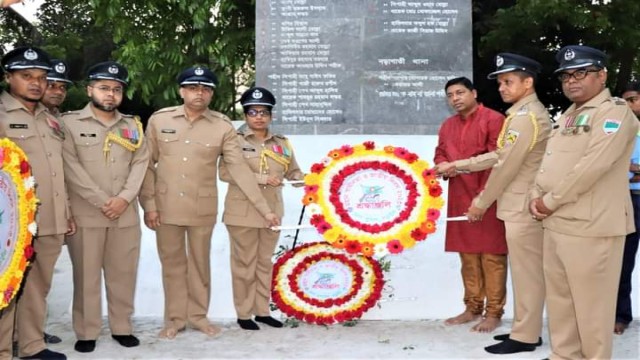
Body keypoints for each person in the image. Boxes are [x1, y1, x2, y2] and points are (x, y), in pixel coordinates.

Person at [139, 67, 280, 339]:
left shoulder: (222, 125)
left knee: (199, 265)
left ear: (212, 94)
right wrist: (150, 205)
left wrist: (265, 210)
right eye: (193, 88)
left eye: (205, 89)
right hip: (165, 207)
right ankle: (175, 320)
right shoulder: (159, 120)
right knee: (172, 264)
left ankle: (199, 317)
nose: (199, 93)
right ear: (182, 91)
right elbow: (146, 165)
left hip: (201, 207)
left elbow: (238, 169)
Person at [529, 45, 638, 360]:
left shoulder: (614, 112)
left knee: (592, 307)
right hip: (558, 222)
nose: (571, 81)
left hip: (593, 225)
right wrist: (535, 194)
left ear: (601, 74)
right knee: (561, 301)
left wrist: (550, 200)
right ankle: (564, 354)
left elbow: (593, 166)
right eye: (566, 75)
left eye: (581, 73)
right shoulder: (568, 115)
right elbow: (549, 162)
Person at [439, 54, 551, 353]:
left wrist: (481, 201)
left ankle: (524, 335)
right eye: (500, 82)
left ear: (528, 82)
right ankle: (523, 330)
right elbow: (500, 157)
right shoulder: (519, 114)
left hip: (518, 202)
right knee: (522, 274)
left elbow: (504, 166)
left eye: (508, 81)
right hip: (507, 201)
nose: (502, 87)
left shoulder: (523, 117)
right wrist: (457, 166)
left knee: (524, 273)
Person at [61, 61, 149, 354]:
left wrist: (124, 198)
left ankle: (122, 327)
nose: (110, 94)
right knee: (85, 276)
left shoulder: (133, 126)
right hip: (87, 214)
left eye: (116, 89)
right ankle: (86, 331)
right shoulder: (69, 123)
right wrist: (102, 201)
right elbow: (70, 168)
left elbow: (140, 165)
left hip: (125, 215)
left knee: (123, 274)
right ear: (90, 89)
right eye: (104, 88)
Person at [1, 46, 74, 360]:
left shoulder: (51, 119)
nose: (36, 83)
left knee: (38, 285)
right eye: (26, 76)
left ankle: (31, 345)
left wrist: (66, 213)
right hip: (10, 221)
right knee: (7, 286)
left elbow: (59, 170)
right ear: (8, 78)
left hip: (49, 217)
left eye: (42, 77)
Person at [220, 87, 304, 330]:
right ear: (245, 115)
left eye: (264, 112)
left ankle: (262, 311)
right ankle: (244, 314)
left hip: (273, 212)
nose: (259, 117)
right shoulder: (234, 141)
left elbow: (293, 172)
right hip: (242, 212)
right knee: (244, 263)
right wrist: (262, 178)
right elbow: (225, 172)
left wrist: (313, 179)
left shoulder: (282, 142)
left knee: (264, 262)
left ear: (270, 115)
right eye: (253, 112)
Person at [434, 77, 507, 333]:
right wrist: (444, 167)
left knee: (492, 255)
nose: (455, 98)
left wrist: (483, 197)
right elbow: (440, 153)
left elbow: (498, 159)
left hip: (488, 195)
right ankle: (472, 307)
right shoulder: (447, 125)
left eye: (460, 92)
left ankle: (494, 311)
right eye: (450, 95)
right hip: (458, 195)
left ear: (474, 93)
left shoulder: (494, 119)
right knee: (467, 256)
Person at [614, 81, 640, 335]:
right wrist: (628, 170)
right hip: (629, 201)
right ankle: (621, 315)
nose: (629, 105)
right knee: (623, 262)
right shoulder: (618, 130)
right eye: (625, 101)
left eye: (633, 99)